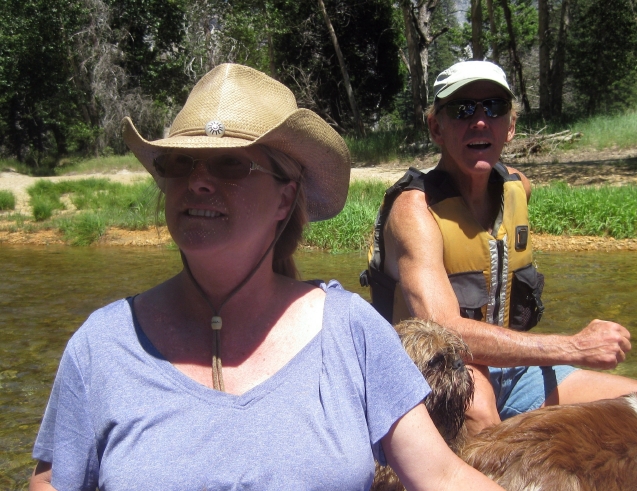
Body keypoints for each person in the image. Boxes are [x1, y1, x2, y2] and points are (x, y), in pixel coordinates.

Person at [29, 64, 503, 491]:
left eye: (231, 163)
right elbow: (53, 481)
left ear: (284, 199)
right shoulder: (103, 344)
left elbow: (441, 476)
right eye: (180, 163)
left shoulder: (352, 331)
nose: (197, 181)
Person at [361, 60, 637, 435]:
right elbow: (444, 331)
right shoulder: (414, 212)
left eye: (494, 108)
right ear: (436, 127)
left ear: (510, 127)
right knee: (482, 420)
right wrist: (574, 347)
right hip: (439, 370)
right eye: (462, 109)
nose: (480, 121)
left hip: (510, 366)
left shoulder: (519, 188)